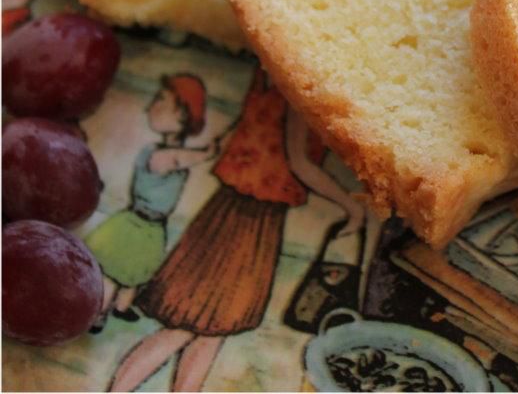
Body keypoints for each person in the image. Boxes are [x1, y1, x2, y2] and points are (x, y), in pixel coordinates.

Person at [110, 67, 364, 393]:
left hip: (235, 212)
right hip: (248, 221)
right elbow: (299, 162)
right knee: (187, 326)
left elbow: (230, 135)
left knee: (212, 329)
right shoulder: (302, 84)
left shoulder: (269, 70)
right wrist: (349, 204)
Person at [86, 75, 215, 327]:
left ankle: (122, 307)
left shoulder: (176, 154)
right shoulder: (157, 155)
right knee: (114, 272)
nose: (149, 107)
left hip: (154, 228)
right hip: (134, 224)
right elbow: (173, 160)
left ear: (182, 113)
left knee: (135, 273)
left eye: (160, 100)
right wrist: (207, 153)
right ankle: (96, 315)